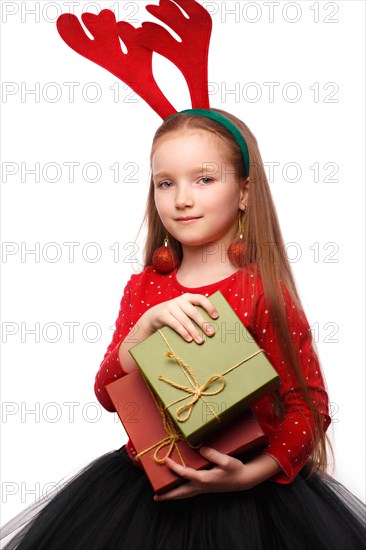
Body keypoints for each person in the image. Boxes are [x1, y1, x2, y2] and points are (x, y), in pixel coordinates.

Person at [1, 108, 365, 550]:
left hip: (248, 504)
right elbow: (107, 394)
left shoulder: (261, 290)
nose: (182, 199)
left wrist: (253, 473)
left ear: (245, 192)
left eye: (205, 179)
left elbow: (308, 404)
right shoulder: (143, 289)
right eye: (166, 182)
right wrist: (144, 327)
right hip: (147, 490)